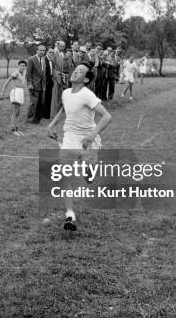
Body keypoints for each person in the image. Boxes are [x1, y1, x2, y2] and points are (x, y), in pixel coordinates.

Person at [47, 64, 112, 231]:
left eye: (80, 71)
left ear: (86, 79)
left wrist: (92, 135)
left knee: (89, 177)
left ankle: (89, 170)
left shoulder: (87, 95)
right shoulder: (66, 92)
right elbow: (64, 109)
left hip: (88, 140)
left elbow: (106, 116)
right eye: (75, 69)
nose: (75, 71)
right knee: (64, 174)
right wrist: (51, 125)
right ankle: (70, 214)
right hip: (70, 137)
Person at [1, 60, 27, 135]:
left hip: (20, 92)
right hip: (15, 91)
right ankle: (13, 129)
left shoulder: (24, 74)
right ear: (18, 66)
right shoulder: (16, 73)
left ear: (25, 67)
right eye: (20, 66)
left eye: (23, 66)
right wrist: (3, 90)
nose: (22, 67)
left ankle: (16, 128)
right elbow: (8, 80)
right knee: (15, 111)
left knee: (18, 112)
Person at [26, 43, 47, 124]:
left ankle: (37, 120)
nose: (42, 52)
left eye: (44, 51)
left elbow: (43, 73)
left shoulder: (44, 59)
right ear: (37, 50)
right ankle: (29, 119)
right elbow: (28, 73)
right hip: (34, 84)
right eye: (41, 50)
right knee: (33, 103)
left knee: (41, 103)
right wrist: (29, 83)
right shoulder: (31, 59)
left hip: (42, 85)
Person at [50, 41, 66, 117]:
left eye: (63, 46)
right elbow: (52, 66)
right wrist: (55, 75)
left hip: (61, 77)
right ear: (57, 45)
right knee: (55, 96)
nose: (62, 48)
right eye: (61, 46)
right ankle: (52, 114)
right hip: (56, 77)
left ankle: (57, 113)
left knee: (59, 95)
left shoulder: (61, 54)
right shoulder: (54, 53)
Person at [43, 47, 55, 118]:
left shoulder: (51, 60)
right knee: (45, 98)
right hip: (45, 81)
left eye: (52, 52)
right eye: (50, 52)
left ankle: (47, 114)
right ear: (47, 52)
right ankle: (44, 114)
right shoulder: (44, 60)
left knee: (49, 97)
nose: (51, 53)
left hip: (50, 81)